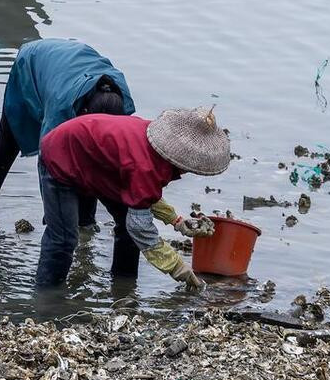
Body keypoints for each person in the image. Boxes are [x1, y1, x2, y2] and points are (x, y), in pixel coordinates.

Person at [0, 39, 135, 266]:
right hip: (32, 64)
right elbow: (48, 164)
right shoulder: (61, 108)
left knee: (90, 159)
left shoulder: (122, 106)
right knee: (7, 145)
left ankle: (85, 224)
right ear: (84, 114)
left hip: (70, 65)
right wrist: (54, 212)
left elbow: (106, 162)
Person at [36, 108, 228, 291]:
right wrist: (177, 267)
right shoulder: (145, 165)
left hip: (97, 162)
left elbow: (143, 194)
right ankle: (48, 298)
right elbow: (141, 228)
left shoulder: (155, 146)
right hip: (60, 156)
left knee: (126, 226)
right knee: (63, 239)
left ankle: (123, 285)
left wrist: (177, 222)